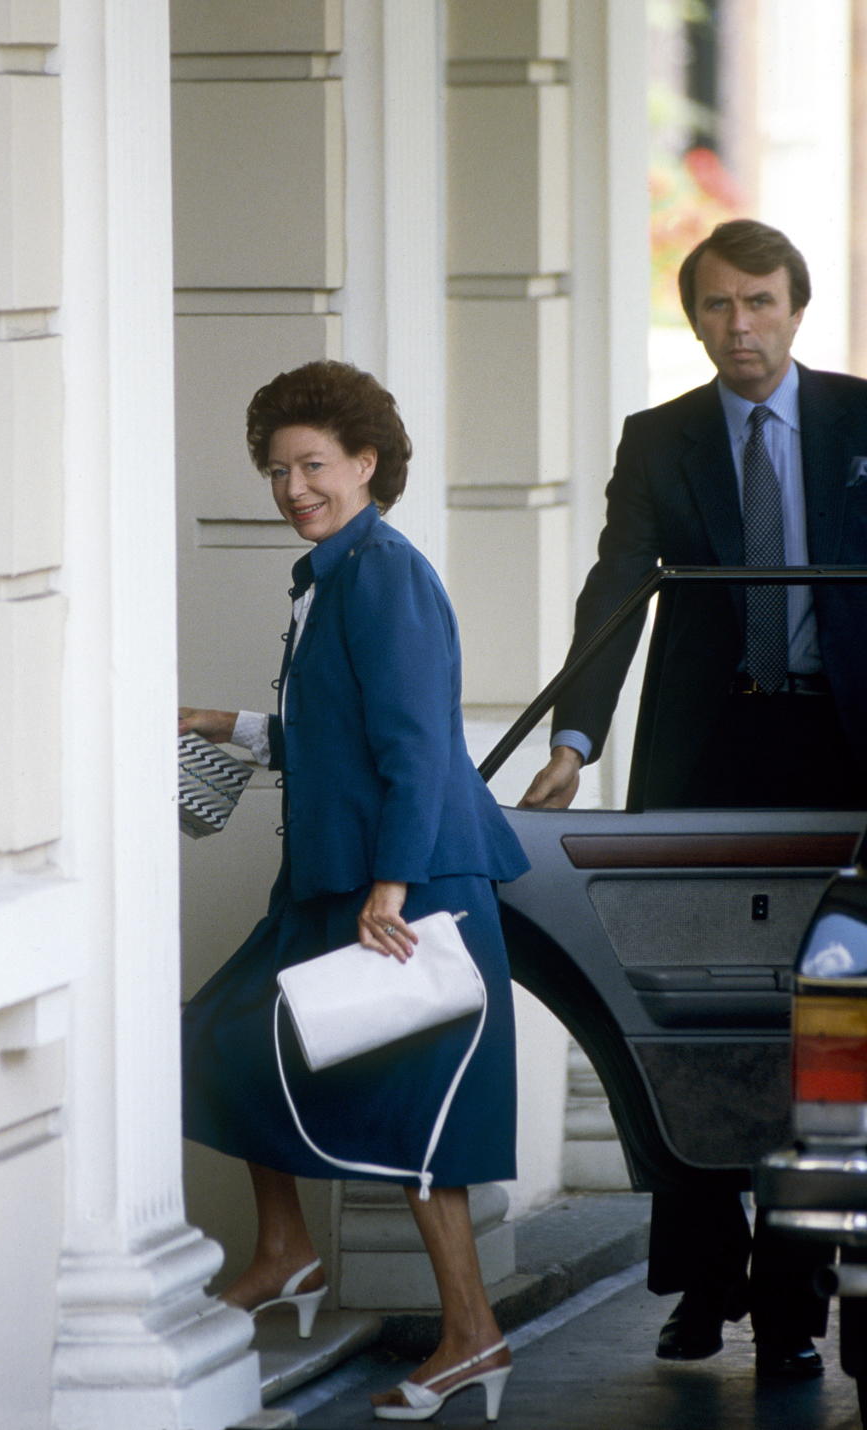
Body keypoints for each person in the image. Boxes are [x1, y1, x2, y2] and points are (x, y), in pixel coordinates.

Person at [521, 219, 867, 1377]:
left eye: (760, 302)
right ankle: (706, 1286)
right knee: (690, 1017)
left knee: (829, 1027)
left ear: (796, 308)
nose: (741, 326)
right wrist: (574, 737)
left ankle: (797, 1296)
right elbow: (617, 581)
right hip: (709, 750)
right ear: (697, 317)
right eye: (718, 306)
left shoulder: (862, 418)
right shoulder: (660, 440)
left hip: (843, 746)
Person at [179, 359, 529, 1423]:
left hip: (411, 884)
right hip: (337, 881)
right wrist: (223, 725)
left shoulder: (382, 571)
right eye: (278, 469)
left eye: (314, 464)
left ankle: (472, 1336)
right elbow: (336, 735)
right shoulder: (332, 572)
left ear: (367, 462)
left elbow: (419, 745)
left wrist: (393, 885)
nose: (294, 488)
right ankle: (286, 1250)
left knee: (425, 1124)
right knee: (220, 1038)